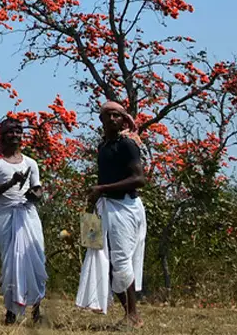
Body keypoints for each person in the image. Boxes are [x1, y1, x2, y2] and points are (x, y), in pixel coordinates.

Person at [76, 101, 147, 328]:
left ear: (123, 120)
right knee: (101, 258)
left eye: (118, 116)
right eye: (109, 115)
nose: (113, 119)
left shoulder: (128, 145)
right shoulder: (103, 146)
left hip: (124, 207)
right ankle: (127, 313)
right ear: (102, 120)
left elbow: (139, 179)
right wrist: (95, 198)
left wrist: (102, 190)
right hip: (104, 207)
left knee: (121, 261)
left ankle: (133, 315)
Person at [0, 116, 46, 325]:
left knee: (35, 258)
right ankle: (11, 312)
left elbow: (38, 189)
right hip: (7, 215)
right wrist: (12, 182)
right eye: (10, 131)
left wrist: (34, 194)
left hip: (28, 216)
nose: (15, 135)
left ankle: (37, 309)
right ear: (2, 135)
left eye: (18, 131)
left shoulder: (31, 162)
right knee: (11, 264)